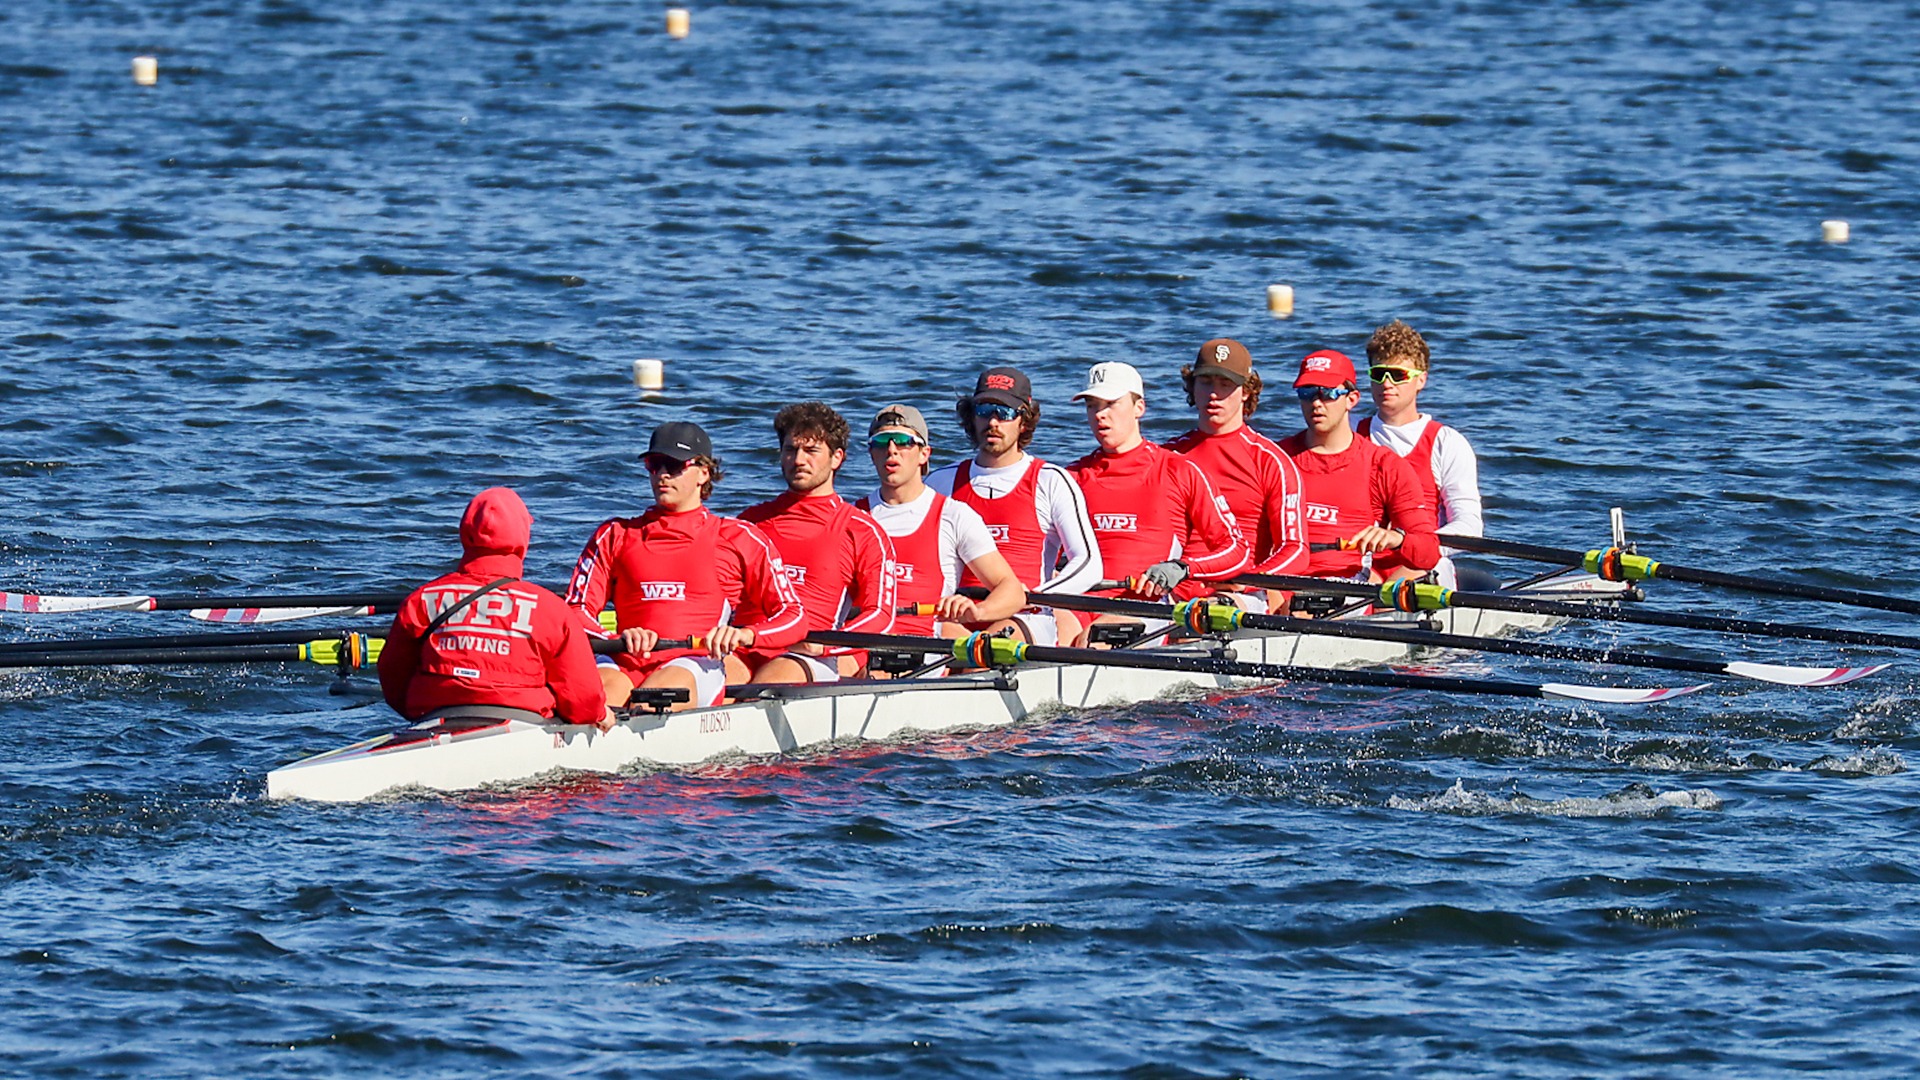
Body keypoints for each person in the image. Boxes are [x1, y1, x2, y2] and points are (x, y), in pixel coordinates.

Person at [565, 421, 805, 711]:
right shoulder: (614, 535)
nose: (662, 475)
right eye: (654, 465)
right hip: (623, 658)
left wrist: (746, 635)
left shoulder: (738, 537)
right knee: (590, 702)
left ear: (704, 473)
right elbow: (575, 611)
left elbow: (793, 615)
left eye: (674, 465)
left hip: (694, 661)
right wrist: (614, 638)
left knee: (653, 698)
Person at [379, 487, 609, 728]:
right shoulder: (552, 610)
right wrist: (600, 714)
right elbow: (584, 701)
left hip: (432, 720)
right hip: (524, 724)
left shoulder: (420, 600)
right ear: (523, 539)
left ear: (465, 533)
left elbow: (393, 680)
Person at [1065, 361, 1249, 642]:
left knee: (1093, 639)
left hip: (1146, 605)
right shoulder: (1071, 477)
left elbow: (1236, 549)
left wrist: (1183, 568)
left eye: (1111, 404)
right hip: (1077, 602)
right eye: (1092, 405)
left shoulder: (1178, 471)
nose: (1100, 414)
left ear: (1139, 408)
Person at [928, 366, 1103, 645]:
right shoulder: (941, 482)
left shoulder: (1050, 480)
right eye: (984, 411)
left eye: (1005, 413)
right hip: (960, 614)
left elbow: (1089, 564)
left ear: (1024, 421)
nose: (993, 422)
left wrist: (1035, 596)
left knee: (990, 645)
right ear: (971, 417)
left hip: (1028, 616)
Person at [738, 402, 897, 683]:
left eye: (811, 451)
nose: (798, 460)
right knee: (718, 679)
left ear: (837, 458)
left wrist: (827, 645)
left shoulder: (861, 531)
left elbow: (881, 615)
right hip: (744, 647)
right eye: (790, 450)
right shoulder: (749, 523)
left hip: (809, 654)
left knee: (768, 683)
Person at [855, 403, 1026, 643]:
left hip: (927, 646)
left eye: (903, 442)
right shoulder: (852, 518)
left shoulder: (954, 516)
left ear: (924, 454)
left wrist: (977, 612)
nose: (892, 450)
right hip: (861, 643)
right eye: (882, 442)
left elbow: (1012, 591)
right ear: (872, 453)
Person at [1164, 338, 1310, 612]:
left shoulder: (1270, 460)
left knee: (1209, 611)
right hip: (1173, 585)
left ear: (1245, 391)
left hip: (1240, 591)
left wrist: (1248, 581)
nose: (1214, 394)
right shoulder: (1168, 456)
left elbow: (1296, 549)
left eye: (1225, 384)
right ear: (1192, 386)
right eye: (1206, 382)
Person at [1278, 349, 1439, 586]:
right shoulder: (1275, 459)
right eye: (1307, 393)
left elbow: (1429, 551)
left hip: (1350, 586)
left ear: (1351, 399)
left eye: (1328, 393)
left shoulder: (1385, 466)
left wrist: (1397, 539)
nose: (1316, 403)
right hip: (1280, 583)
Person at [1357, 319, 1485, 589]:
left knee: (1393, 591)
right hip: (1361, 562)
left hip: (1423, 564)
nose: (1387, 383)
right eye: (1379, 374)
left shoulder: (1447, 443)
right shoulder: (1351, 434)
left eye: (1398, 375)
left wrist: (1408, 543)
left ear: (1421, 380)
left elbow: (1469, 527)